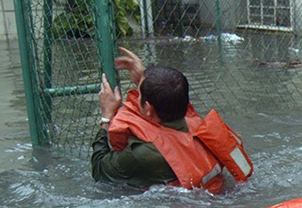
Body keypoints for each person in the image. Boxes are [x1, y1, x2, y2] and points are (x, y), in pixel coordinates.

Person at [92, 47, 253, 193]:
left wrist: (106, 117)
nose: (135, 96)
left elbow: (99, 171)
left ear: (148, 109)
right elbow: (166, 98)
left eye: (139, 94)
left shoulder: (144, 154)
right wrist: (146, 79)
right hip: (218, 197)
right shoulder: (195, 122)